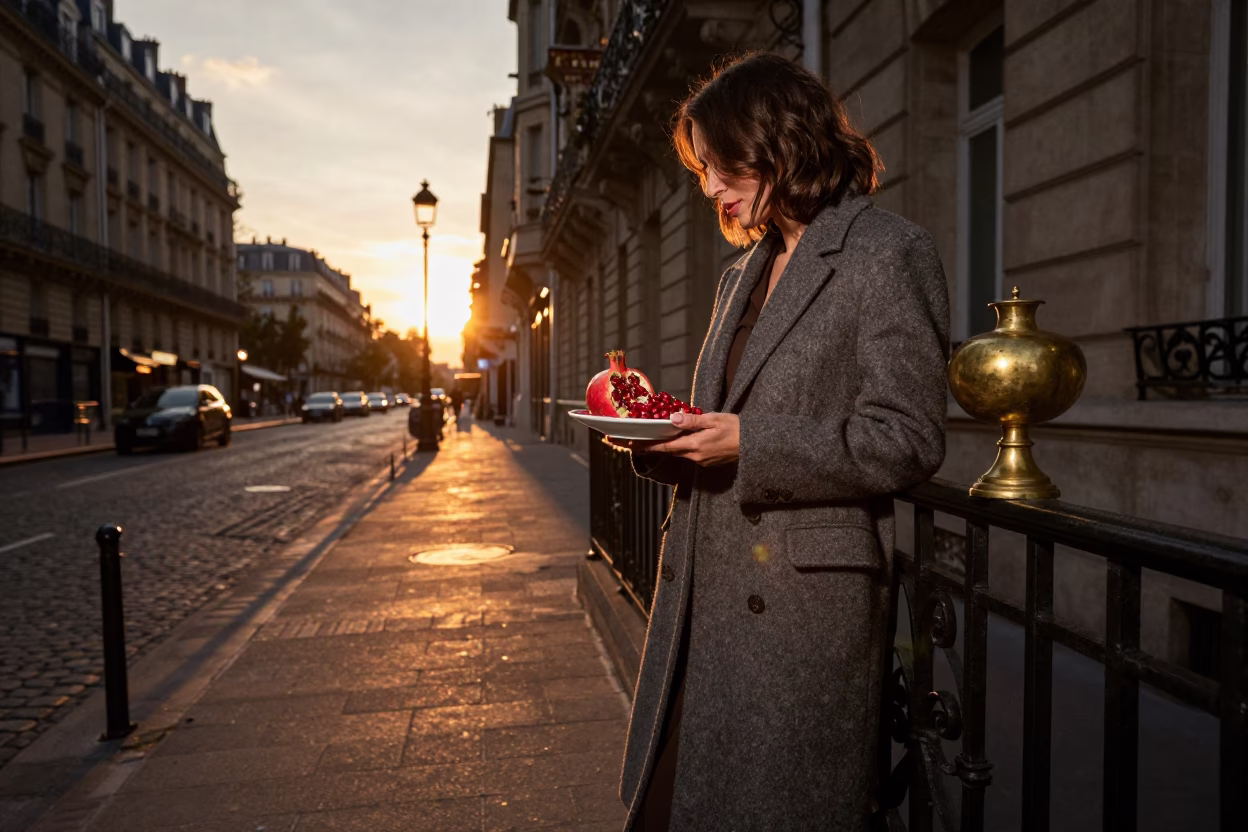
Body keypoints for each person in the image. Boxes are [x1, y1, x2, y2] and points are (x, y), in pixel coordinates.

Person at [614, 52, 950, 830]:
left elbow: (906, 437)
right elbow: (726, 411)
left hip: (798, 608)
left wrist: (751, 445)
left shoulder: (887, 251)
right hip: (705, 586)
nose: (709, 188)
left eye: (721, 165)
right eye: (704, 169)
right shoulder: (743, 271)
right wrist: (668, 441)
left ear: (780, 142)